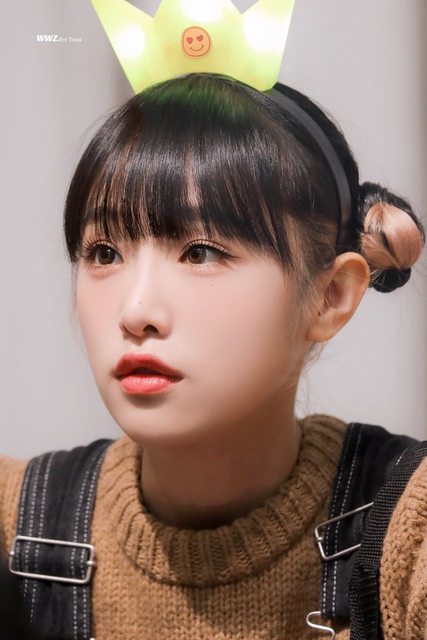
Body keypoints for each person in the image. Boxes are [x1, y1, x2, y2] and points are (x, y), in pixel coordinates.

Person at [0, 74, 426, 639]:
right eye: (104, 253)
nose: (135, 311)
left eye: (200, 252)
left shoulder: (409, 526)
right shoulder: (13, 526)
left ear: (329, 296)